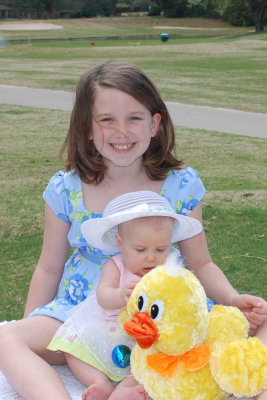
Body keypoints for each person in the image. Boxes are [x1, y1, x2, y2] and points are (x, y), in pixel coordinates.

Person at [0, 60, 266, 400]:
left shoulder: (180, 186)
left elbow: (200, 264)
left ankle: (255, 391)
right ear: (87, 129)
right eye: (107, 120)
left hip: (167, 319)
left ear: (155, 124)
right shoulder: (67, 189)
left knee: (264, 320)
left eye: (134, 118)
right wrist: (30, 327)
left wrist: (231, 299)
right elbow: (48, 266)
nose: (121, 131)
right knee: (8, 338)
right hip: (84, 315)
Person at [47, 190, 203, 400]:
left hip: (149, 336)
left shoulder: (168, 269)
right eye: (140, 249)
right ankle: (98, 381)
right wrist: (120, 295)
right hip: (110, 326)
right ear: (121, 243)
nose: (151, 257)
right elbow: (103, 295)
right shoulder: (115, 265)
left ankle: (129, 388)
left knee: (154, 361)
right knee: (74, 350)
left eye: (161, 249)